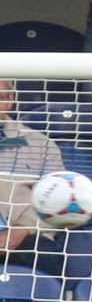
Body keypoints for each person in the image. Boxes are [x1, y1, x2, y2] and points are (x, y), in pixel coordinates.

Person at [0, 80, 66, 268]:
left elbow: (58, 200)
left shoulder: (41, 144)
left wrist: (23, 229)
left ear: (10, 100)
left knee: (45, 255)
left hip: (23, 236)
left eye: (1, 97)